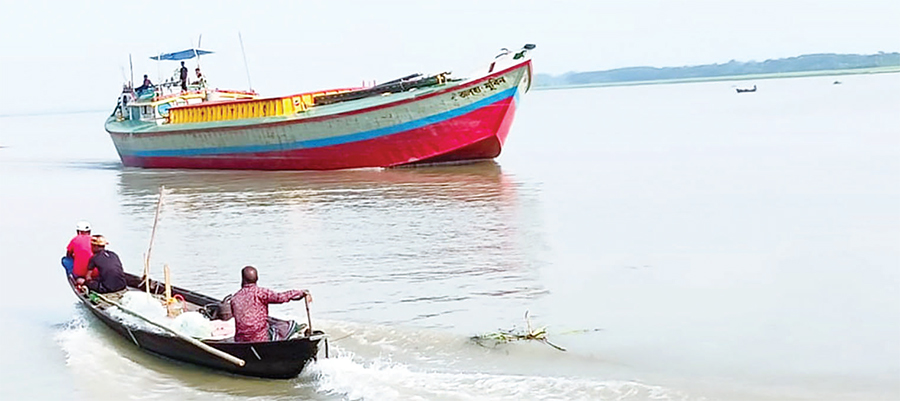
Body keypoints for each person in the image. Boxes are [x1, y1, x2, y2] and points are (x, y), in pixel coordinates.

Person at [229, 266, 311, 342]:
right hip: (261, 339)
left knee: (269, 320)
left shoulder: (234, 298)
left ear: (243, 279)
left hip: (241, 340)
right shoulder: (260, 293)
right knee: (288, 326)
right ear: (257, 279)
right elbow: (280, 297)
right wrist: (300, 292)